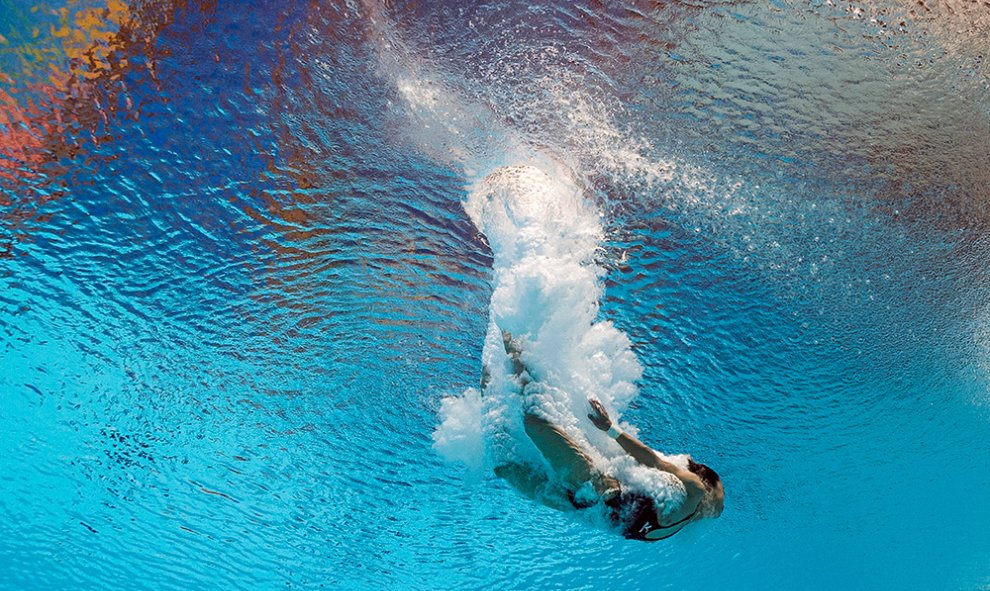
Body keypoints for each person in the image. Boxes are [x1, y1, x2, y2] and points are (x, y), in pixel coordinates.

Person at [490, 331, 724, 541]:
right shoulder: (686, 503)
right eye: (719, 501)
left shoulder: (683, 512)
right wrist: (608, 431)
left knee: (504, 466)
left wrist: (609, 429)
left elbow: (651, 463)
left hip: (580, 504)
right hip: (592, 487)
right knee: (533, 426)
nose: (718, 507)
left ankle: (495, 373)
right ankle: (512, 343)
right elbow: (649, 464)